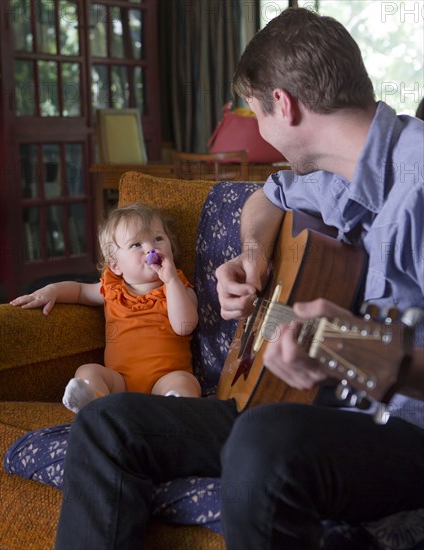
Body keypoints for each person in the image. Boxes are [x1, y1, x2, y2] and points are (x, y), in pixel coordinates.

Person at [54, 8, 424, 549]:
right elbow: (264, 199)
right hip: (310, 407)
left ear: (283, 104)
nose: (265, 134)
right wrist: (253, 254)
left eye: (256, 115)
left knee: (265, 438)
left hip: (406, 432)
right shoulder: (330, 176)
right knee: (107, 424)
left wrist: (357, 351)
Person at [11, 204, 201, 413]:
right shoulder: (112, 289)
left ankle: (175, 408)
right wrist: (52, 290)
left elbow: (185, 326)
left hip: (165, 380)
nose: (151, 249)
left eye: (158, 239)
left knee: (185, 381)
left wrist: (171, 279)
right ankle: (95, 403)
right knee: (87, 370)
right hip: (120, 384)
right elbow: (80, 291)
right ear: (116, 266)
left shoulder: (178, 288)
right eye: (136, 244)